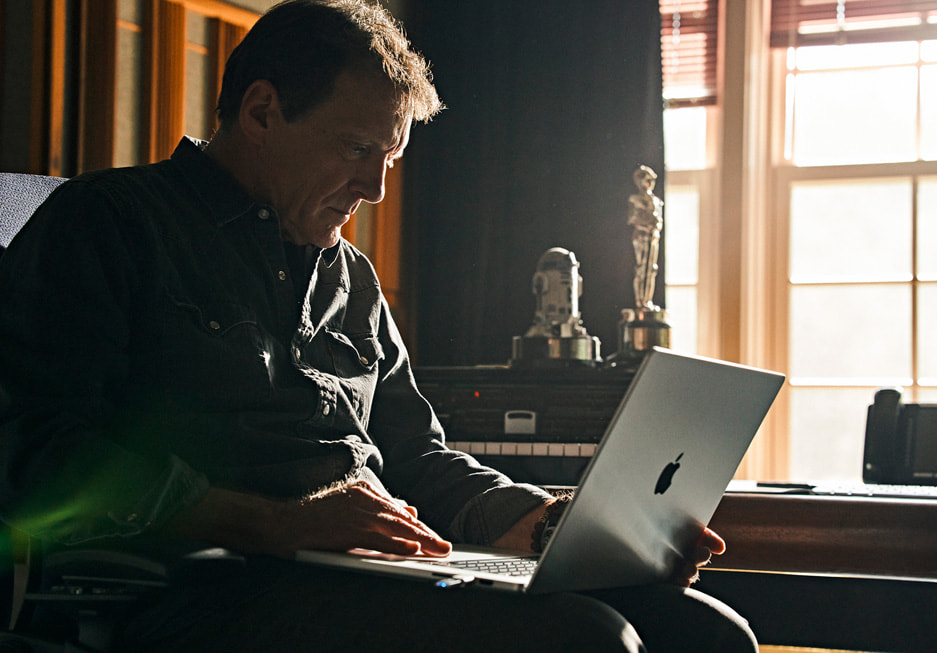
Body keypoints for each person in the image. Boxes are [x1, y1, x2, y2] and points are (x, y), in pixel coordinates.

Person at [0, 1, 756, 650]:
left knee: (705, 634)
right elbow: (35, 450)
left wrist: (537, 520)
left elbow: (417, 455)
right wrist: (276, 523)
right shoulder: (108, 225)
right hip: (198, 582)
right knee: (585, 640)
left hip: (361, 573)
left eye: (389, 157)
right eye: (358, 148)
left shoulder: (351, 278)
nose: (376, 186)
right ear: (262, 111)